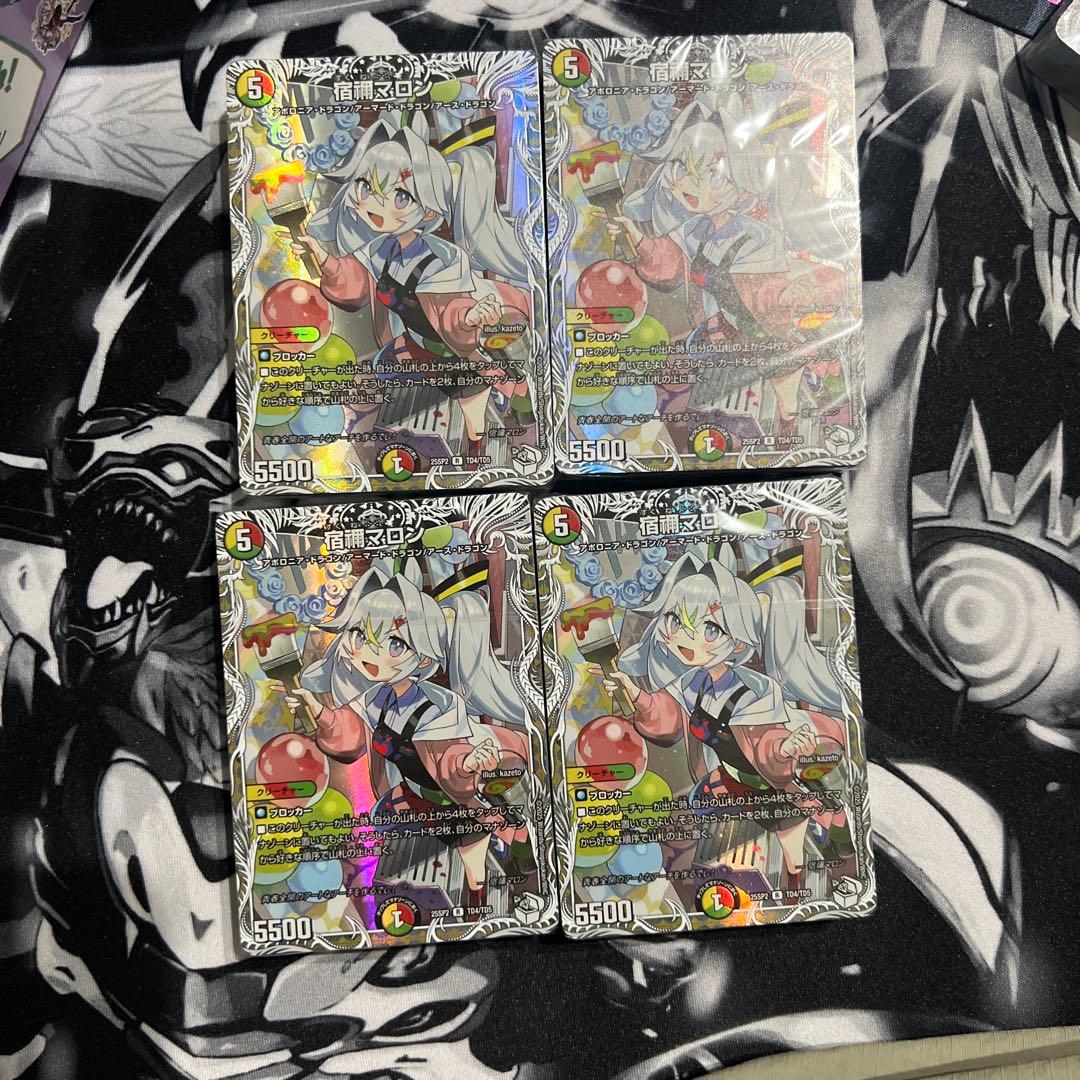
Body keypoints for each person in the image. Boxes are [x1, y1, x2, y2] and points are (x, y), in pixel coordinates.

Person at [275, 559, 534, 910]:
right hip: (412, 800)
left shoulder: (438, 708)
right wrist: (317, 709)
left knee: (478, 879)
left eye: (394, 644)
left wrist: (469, 763)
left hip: (454, 804)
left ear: (423, 660)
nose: (369, 651)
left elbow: (450, 757)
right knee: (402, 874)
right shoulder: (376, 698)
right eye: (360, 635)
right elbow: (350, 734)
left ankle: (502, 892)